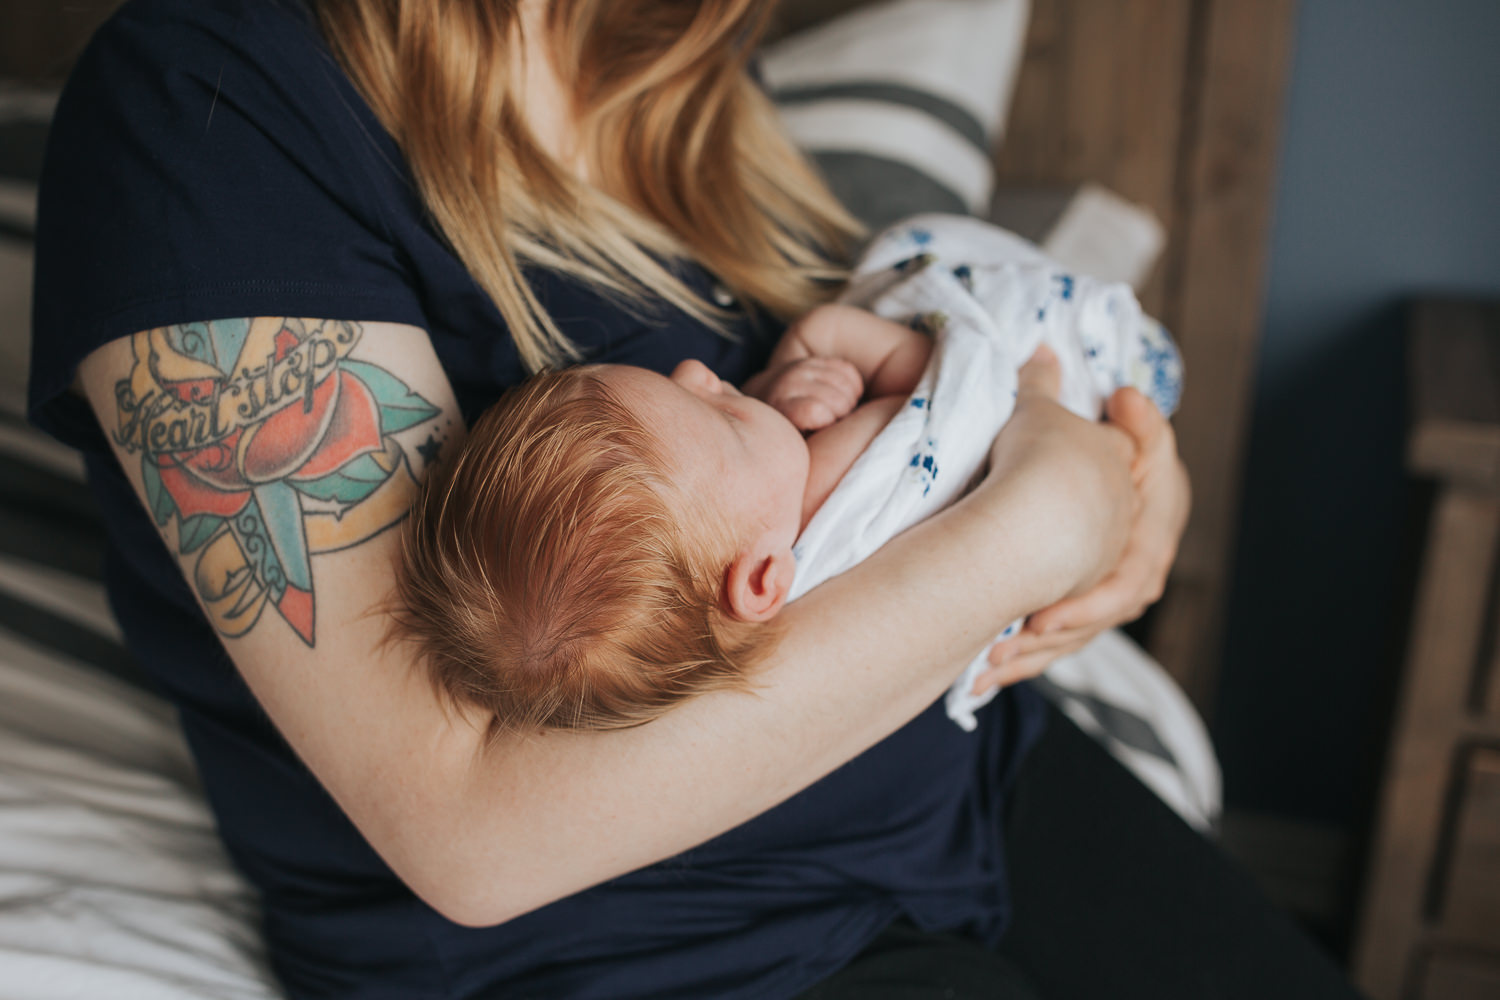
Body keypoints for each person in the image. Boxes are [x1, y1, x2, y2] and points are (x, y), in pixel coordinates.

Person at [26, 0, 1359, 997]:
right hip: (658, 952)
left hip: (967, 792)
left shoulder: (667, 83)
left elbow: (887, 395)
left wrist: (1127, 481)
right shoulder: (209, 106)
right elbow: (471, 840)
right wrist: (1039, 525)